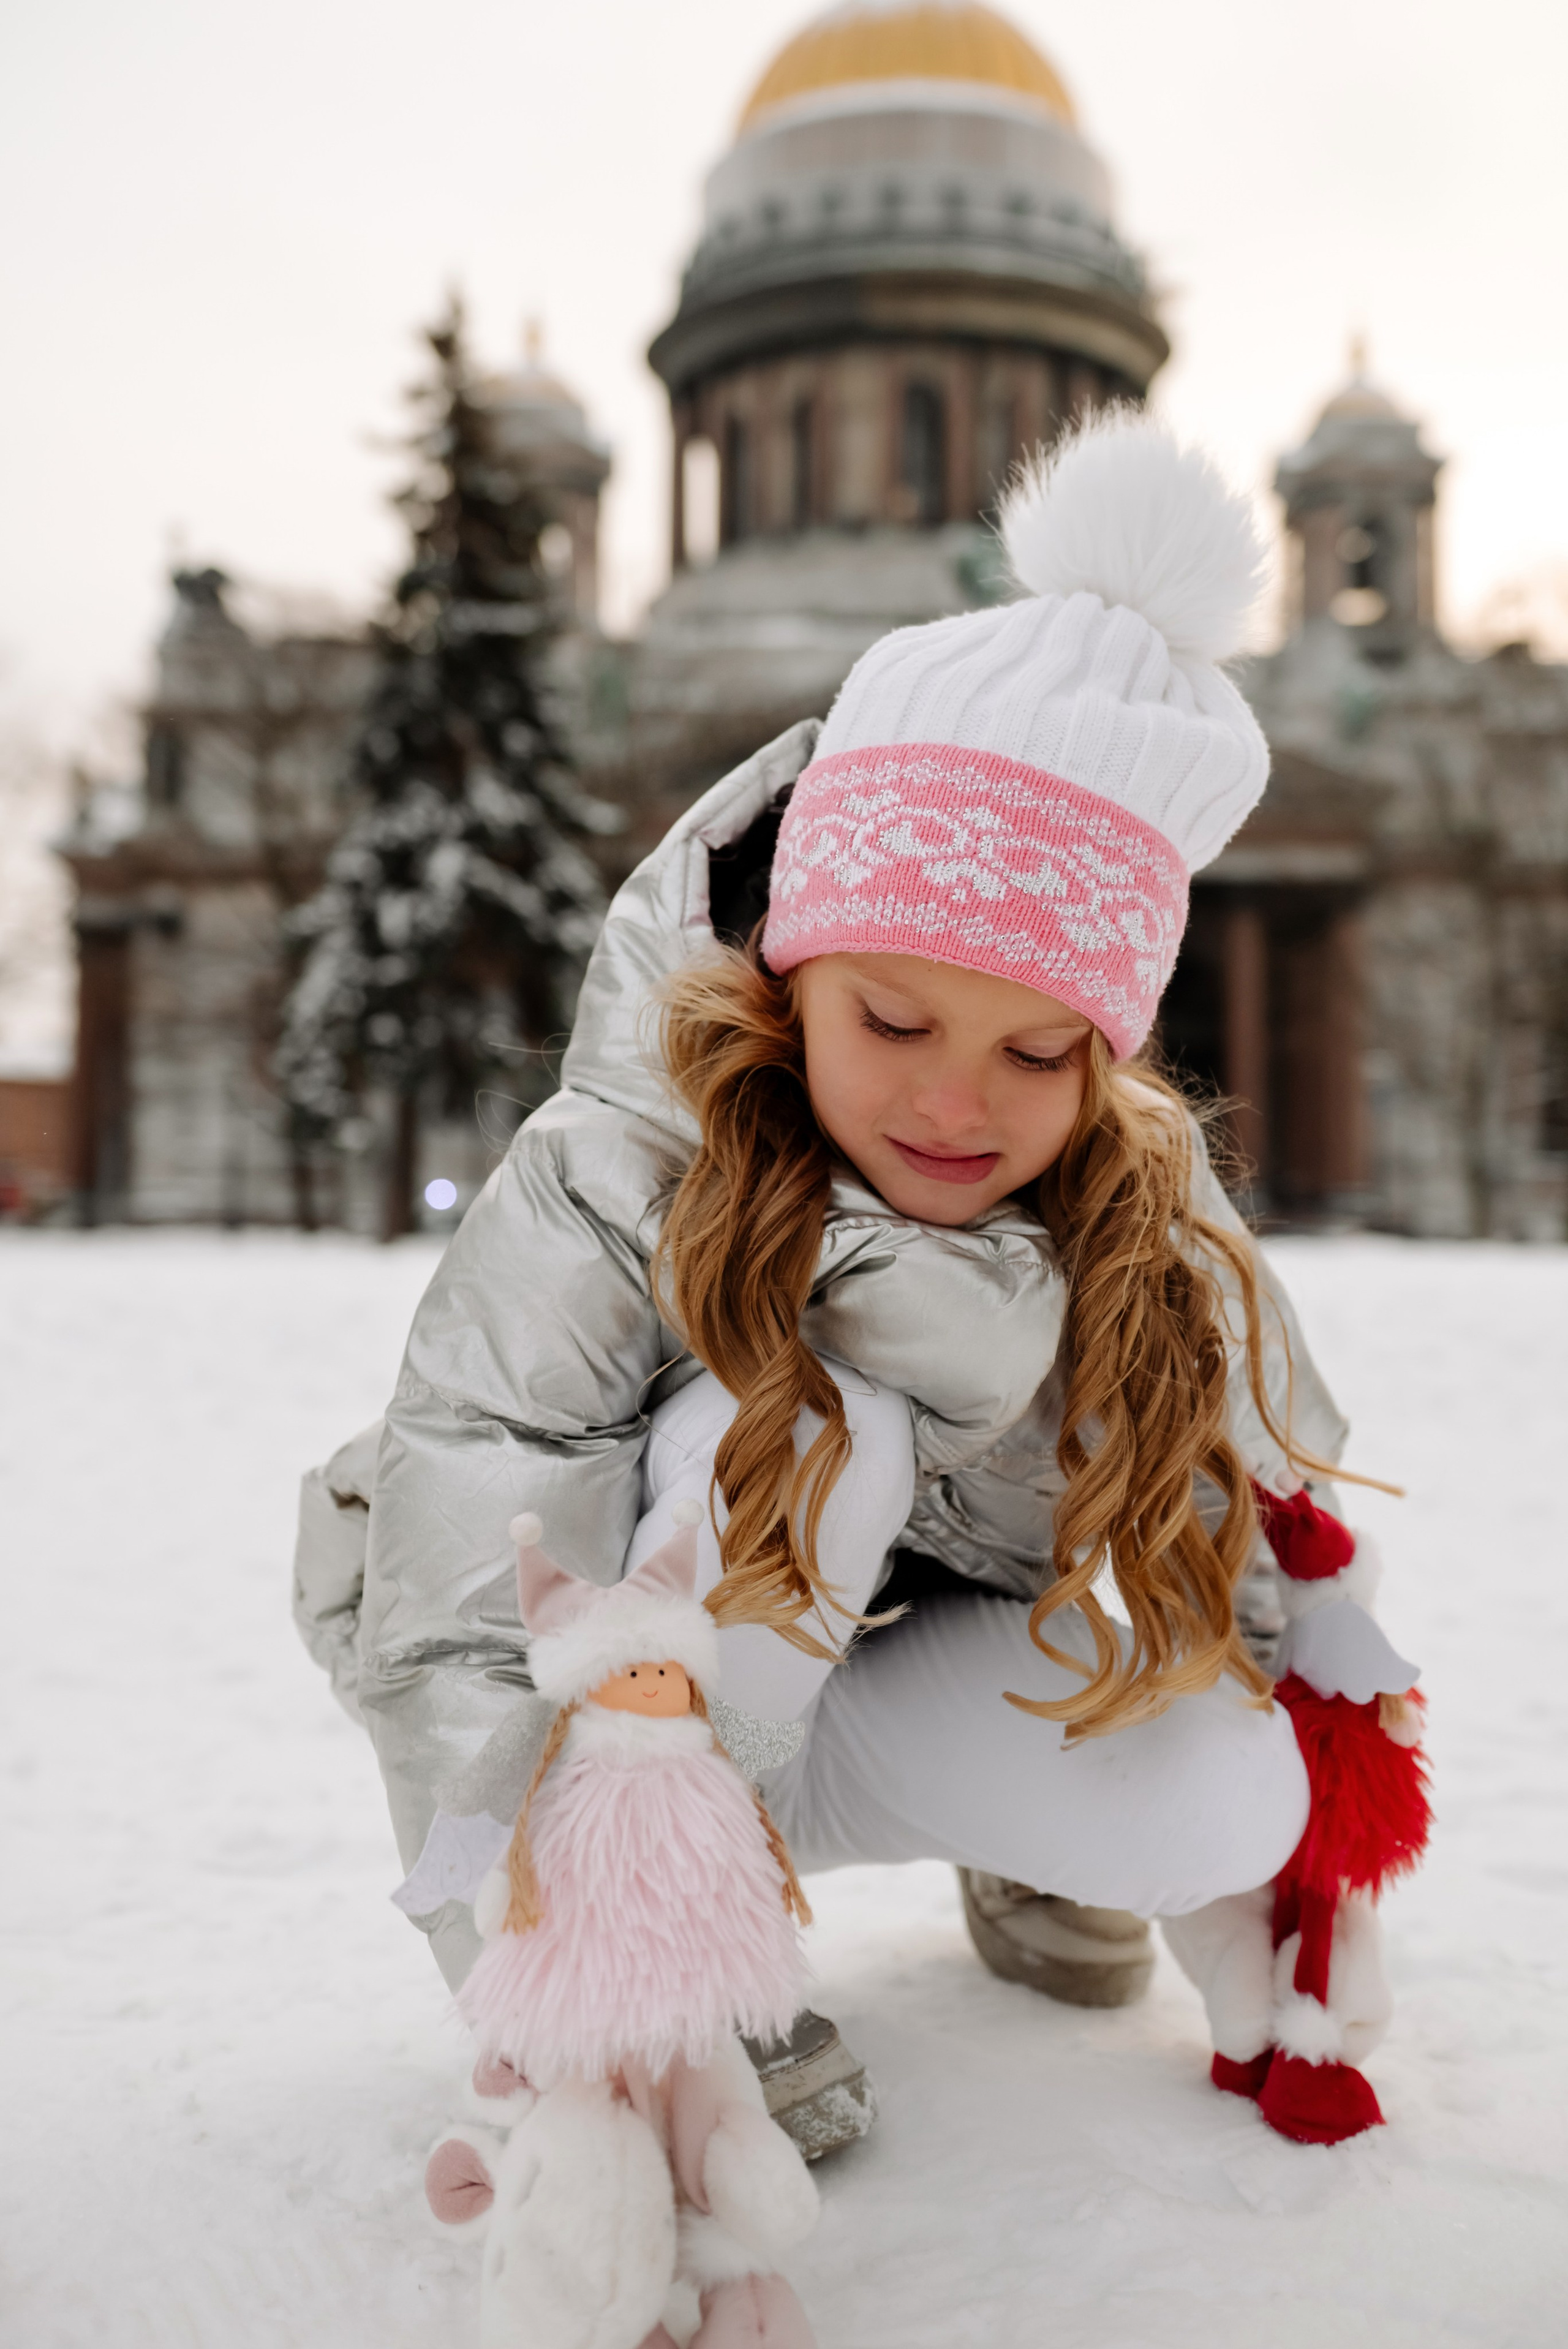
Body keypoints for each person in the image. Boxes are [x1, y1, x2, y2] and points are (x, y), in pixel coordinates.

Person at [295, 412, 1425, 2170]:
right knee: (829, 1424)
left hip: (894, 1680)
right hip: (626, 1706)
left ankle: (1024, 1851)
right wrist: (544, 1963)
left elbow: (1254, 1498)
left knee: (1232, 1792)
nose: (957, 1104)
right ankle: (684, 1930)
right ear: (788, 970)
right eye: (894, 1020)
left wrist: (1289, 1876)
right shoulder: (617, 1166)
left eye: (1041, 1051)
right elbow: (471, 1531)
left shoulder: (1141, 1204)